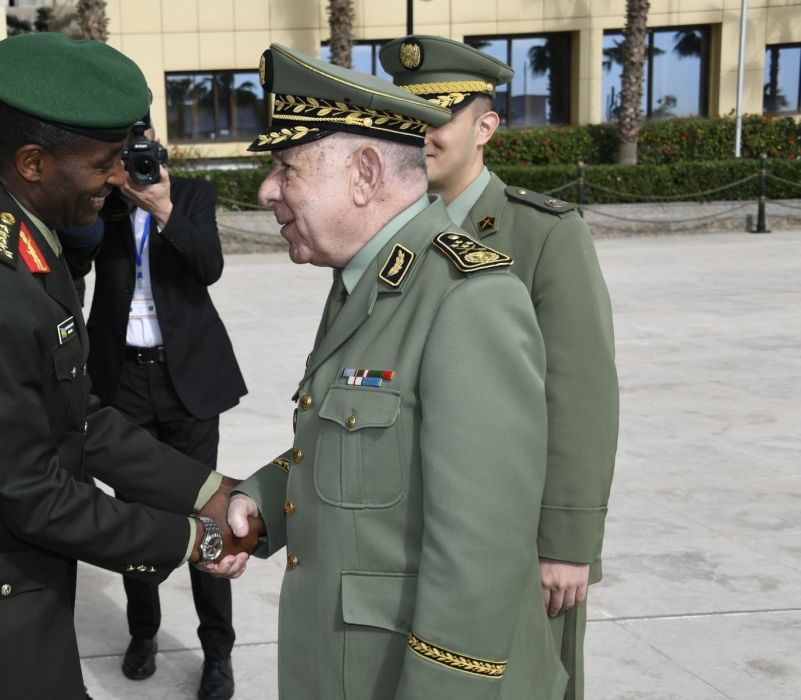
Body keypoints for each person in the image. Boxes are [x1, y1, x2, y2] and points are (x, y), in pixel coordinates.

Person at [0, 34, 262, 700]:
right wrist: (194, 538)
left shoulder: (24, 237)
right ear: (34, 162)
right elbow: (33, 492)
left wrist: (206, 489)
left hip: (2, 593)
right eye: (103, 163)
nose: (119, 178)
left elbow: (76, 415)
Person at [216, 43, 568, 699]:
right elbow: (352, 450)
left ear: (366, 173)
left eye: (286, 168)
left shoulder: (466, 299)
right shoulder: (366, 281)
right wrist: (260, 499)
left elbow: (480, 550)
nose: (266, 190)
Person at [381, 35, 620, 700]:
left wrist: (567, 542)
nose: (417, 135)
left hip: (514, 539)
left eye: (436, 118)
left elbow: (580, 395)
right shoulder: (390, 235)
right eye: (404, 118)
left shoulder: (543, 233)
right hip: (412, 532)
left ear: (484, 127)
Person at [86, 120, 247, 700]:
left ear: (160, 148)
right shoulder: (102, 204)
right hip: (123, 379)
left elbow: (209, 266)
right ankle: (144, 633)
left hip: (188, 383)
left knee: (209, 514)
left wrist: (163, 208)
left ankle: (218, 652)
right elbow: (72, 254)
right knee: (135, 517)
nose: (137, 158)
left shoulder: (194, 195)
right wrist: (104, 188)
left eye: (144, 147)